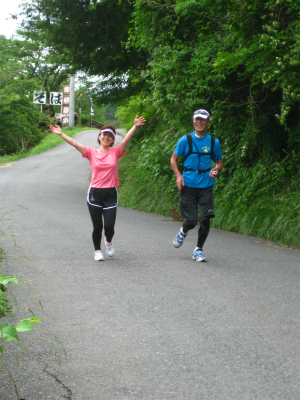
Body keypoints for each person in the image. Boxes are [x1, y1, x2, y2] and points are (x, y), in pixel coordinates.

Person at [49, 115, 146, 261]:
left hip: (110, 193)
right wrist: (61, 134)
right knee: (97, 226)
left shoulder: (116, 152)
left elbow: (126, 139)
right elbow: (75, 144)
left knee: (109, 226)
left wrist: (135, 126)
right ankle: (97, 251)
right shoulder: (91, 153)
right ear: (99, 137)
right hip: (94, 193)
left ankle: (108, 241)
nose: (106, 137)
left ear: (113, 140)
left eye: (109, 136)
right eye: (104, 135)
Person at [170, 109, 223, 262]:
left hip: (206, 185)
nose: (199, 122)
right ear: (193, 121)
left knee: (206, 219)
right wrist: (178, 176)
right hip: (189, 184)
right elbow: (173, 159)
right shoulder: (185, 140)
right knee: (192, 221)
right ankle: (183, 231)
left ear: (208, 123)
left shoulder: (214, 142)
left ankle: (198, 250)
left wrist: (216, 170)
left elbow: (219, 162)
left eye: (202, 120)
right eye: (196, 119)